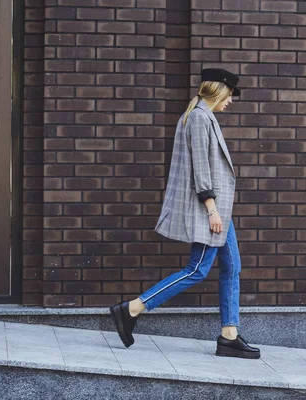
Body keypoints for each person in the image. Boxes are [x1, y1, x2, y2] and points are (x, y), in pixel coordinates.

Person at [110, 68, 260, 360]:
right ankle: (132, 308)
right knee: (197, 269)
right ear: (219, 91)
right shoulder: (200, 118)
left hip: (218, 210)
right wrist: (212, 210)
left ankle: (229, 335)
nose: (230, 102)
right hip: (211, 210)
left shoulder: (202, 117)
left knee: (232, 267)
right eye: (229, 96)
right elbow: (201, 170)